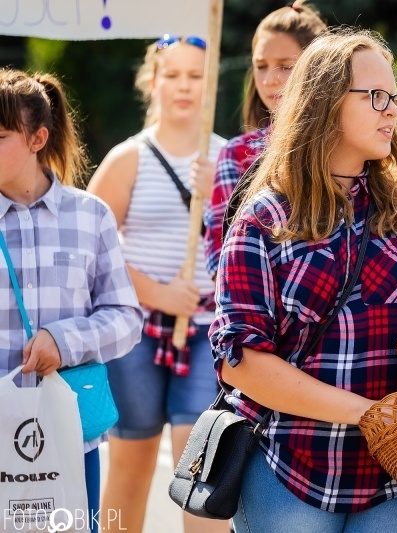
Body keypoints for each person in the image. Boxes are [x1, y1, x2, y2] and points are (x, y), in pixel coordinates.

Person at [210, 29, 397, 532]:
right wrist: (368, 413)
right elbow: (243, 365)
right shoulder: (264, 220)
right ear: (324, 102)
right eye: (376, 97)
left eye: (396, 98)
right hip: (289, 467)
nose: (392, 111)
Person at [86, 35, 227, 533]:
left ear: (211, 85)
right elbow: (90, 252)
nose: (183, 86)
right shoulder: (129, 158)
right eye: (172, 74)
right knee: (130, 465)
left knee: (201, 475)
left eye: (196, 75)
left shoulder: (230, 159)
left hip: (209, 335)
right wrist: (157, 292)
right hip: (138, 337)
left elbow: (251, 249)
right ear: (152, 82)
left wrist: (219, 196)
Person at [0, 68, 143, 533]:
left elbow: (125, 318)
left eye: (0, 135)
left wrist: (63, 342)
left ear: (38, 137)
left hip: (68, 439)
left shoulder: (90, 216)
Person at [204, 1, 327, 277]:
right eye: (260, 65)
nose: (270, 79)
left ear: (319, 69)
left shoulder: (349, 145)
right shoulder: (237, 155)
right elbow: (221, 261)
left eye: (285, 66)